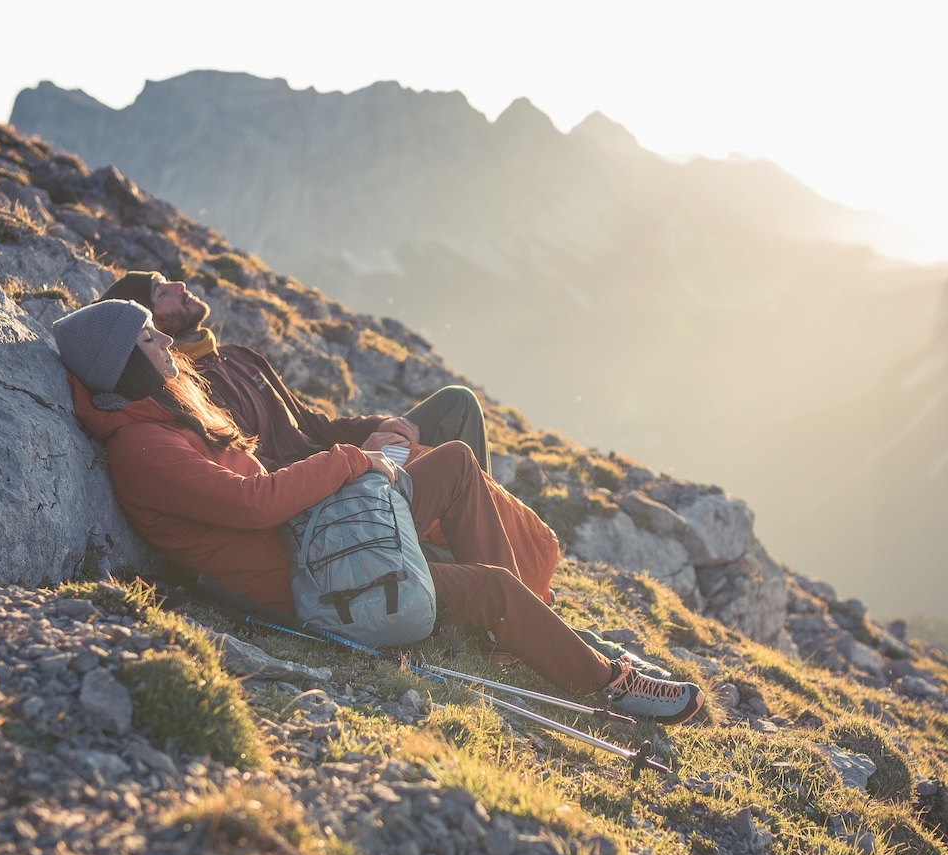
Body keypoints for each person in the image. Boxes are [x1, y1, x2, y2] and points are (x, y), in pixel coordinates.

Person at [51, 299, 702, 723]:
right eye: (148, 338)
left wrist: (359, 457)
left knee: (455, 463)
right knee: (492, 588)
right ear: (124, 364)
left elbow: (272, 479)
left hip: (318, 535)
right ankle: (606, 683)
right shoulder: (145, 448)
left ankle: (512, 637)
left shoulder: (164, 418)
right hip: (316, 578)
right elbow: (253, 505)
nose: (165, 342)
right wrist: (352, 462)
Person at [101, 271, 488, 473]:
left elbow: (311, 422)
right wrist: (355, 459)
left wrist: (379, 423)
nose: (179, 285)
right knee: (451, 464)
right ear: (150, 325)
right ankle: (480, 554)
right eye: (161, 292)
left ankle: (484, 537)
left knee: (458, 403)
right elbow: (257, 473)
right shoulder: (190, 391)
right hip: (332, 485)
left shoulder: (238, 356)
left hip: (345, 460)